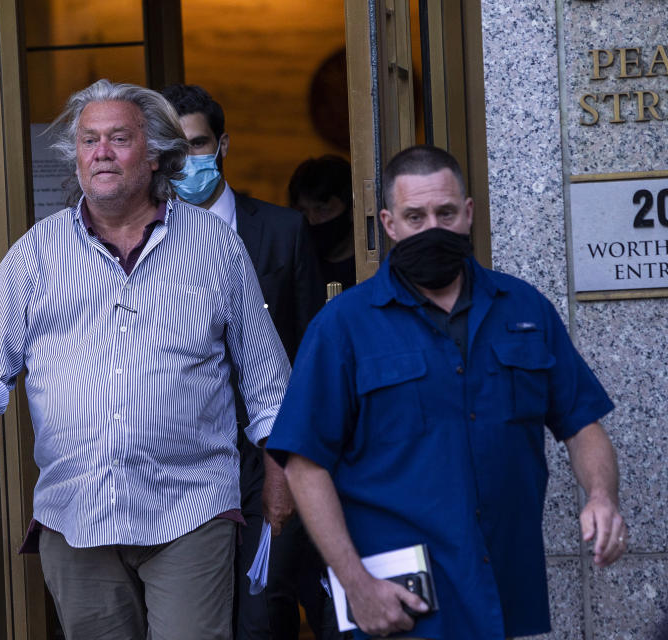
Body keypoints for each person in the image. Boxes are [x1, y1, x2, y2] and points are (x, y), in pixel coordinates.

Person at [0, 79, 291, 640]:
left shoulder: (215, 246)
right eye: (89, 140)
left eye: (119, 138)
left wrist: (279, 474)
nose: (101, 152)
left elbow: (267, 383)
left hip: (190, 510)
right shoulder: (37, 253)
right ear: (75, 159)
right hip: (77, 513)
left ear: (155, 154)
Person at [267, 145, 627, 639]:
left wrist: (602, 496)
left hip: (501, 587)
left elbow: (582, 423)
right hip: (398, 598)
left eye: (445, 213)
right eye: (415, 217)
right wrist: (355, 584)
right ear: (390, 224)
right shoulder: (343, 327)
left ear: (469, 214)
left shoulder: (523, 309)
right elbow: (305, 466)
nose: (431, 228)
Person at [160, 83, 334, 640]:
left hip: (272, 453)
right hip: (185, 464)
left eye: (198, 144)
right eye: (174, 149)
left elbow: (310, 346)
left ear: (223, 144)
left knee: (263, 614)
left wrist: (299, 456)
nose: (188, 161)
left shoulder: (283, 230)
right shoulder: (147, 240)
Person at [288, 155, 355, 290]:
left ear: (352, 210)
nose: (311, 220)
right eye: (303, 211)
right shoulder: (297, 269)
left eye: (323, 210)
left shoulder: (370, 268)